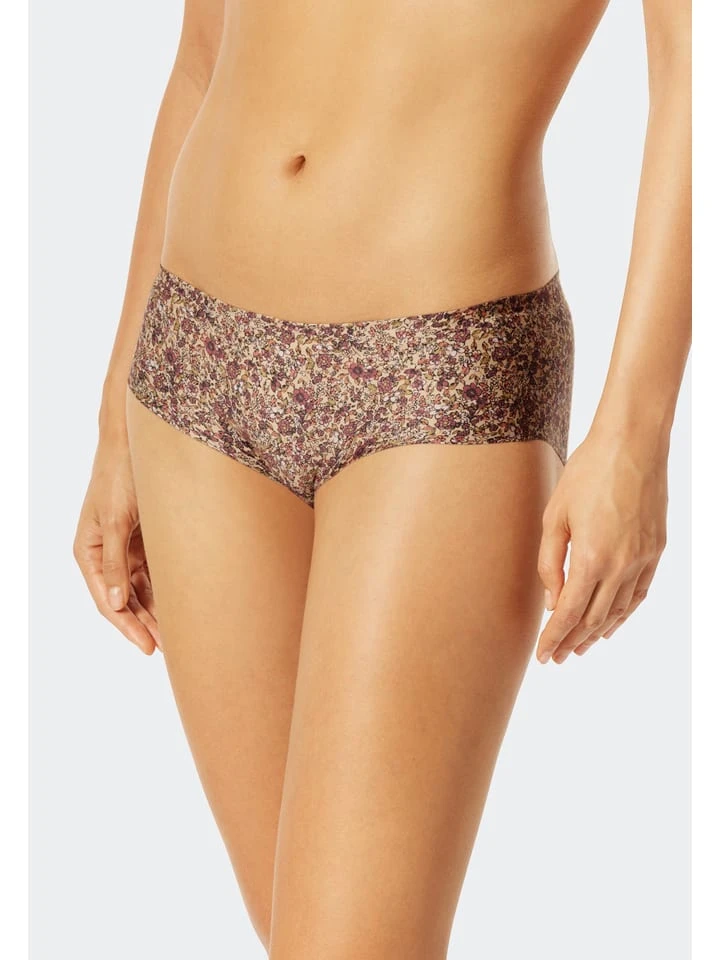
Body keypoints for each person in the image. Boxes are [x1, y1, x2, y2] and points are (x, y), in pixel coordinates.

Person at [73, 0, 691, 955]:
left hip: (440, 371)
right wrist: (117, 409)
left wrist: (638, 432)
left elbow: (696, 69)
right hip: (194, 359)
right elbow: (203, 52)